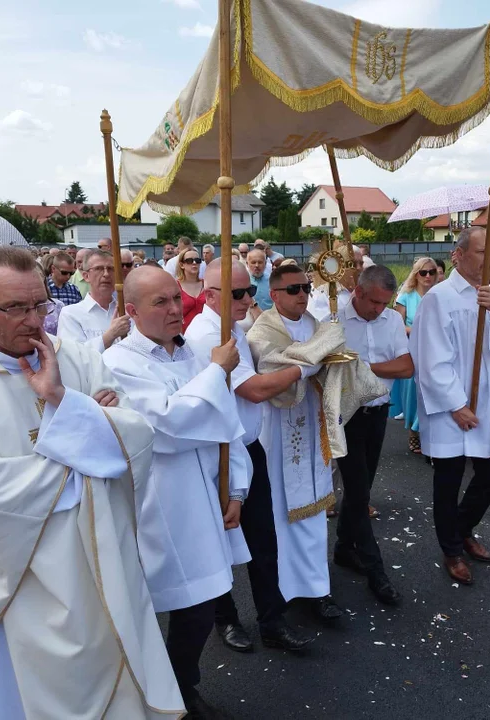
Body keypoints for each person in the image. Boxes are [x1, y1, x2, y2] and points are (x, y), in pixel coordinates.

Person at [0, 246, 183, 718]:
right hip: (16, 585)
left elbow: (137, 436)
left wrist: (63, 399)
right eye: (16, 307)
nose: (34, 319)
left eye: (39, 304)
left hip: (99, 564)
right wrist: (88, 434)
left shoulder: (75, 358)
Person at [103, 266, 250, 717]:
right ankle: (146, 691)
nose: (174, 310)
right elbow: (165, 424)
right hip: (159, 502)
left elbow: (227, 426)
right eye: (159, 303)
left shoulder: (189, 356)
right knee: (156, 604)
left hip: (204, 492)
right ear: (131, 311)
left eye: (174, 299)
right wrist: (214, 373)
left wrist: (237, 488)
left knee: (200, 606)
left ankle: (182, 686)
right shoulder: (120, 363)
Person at [185, 258, 314, 654]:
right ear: (210, 295)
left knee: (263, 537)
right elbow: (254, 390)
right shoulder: (206, 333)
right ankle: (225, 620)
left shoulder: (235, 328)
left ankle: (271, 620)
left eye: (250, 290)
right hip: (219, 451)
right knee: (223, 541)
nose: (248, 299)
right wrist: (304, 366)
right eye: (238, 293)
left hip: (247, 446)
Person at [410, 227, 490, 585]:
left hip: (488, 398)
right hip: (452, 403)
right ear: (458, 255)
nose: (487, 260)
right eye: (480, 252)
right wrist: (456, 404)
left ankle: (462, 529)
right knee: (448, 480)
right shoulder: (438, 298)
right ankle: (451, 550)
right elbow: (430, 358)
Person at [246, 265, 345, 621]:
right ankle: (284, 589)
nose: (302, 294)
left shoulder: (316, 324)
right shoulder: (263, 330)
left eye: (305, 287)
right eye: (293, 289)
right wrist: (310, 360)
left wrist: (330, 356)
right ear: (273, 295)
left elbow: (326, 360)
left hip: (312, 423)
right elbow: (270, 370)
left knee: (315, 510)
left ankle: (317, 589)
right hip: (278, 428)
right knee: (278, 512)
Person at [333, 265, 411, 604]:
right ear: (358, 292)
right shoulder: (335, 317)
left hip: (377, 411)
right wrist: (372, 366)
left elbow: (406, 367)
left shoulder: (392, 320)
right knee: (359, 491)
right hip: (344, 415)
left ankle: (342, 547)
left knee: (361, 486)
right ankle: (375, 569)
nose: (379, 309)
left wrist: (360, 366)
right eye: (375, 302)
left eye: (385, 303)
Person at [393, 257, 438, 454]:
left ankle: (429, 431)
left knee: (434, 389)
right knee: (413, 391)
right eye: (423, 272)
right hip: (414, 348)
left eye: (432, 272)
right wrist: (417, 330)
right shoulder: (406, 296)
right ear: (416, 274)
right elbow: (397, 325)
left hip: (436, 348)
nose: (427, 276)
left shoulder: (440, 295)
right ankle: (413, 431)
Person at [57, 250, 130, 353]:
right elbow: (73, 356)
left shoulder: (127, 311)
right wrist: (111, 335)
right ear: (86, 276)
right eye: (98, 269)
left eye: (111, 269)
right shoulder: (71, 314)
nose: (106, 274)